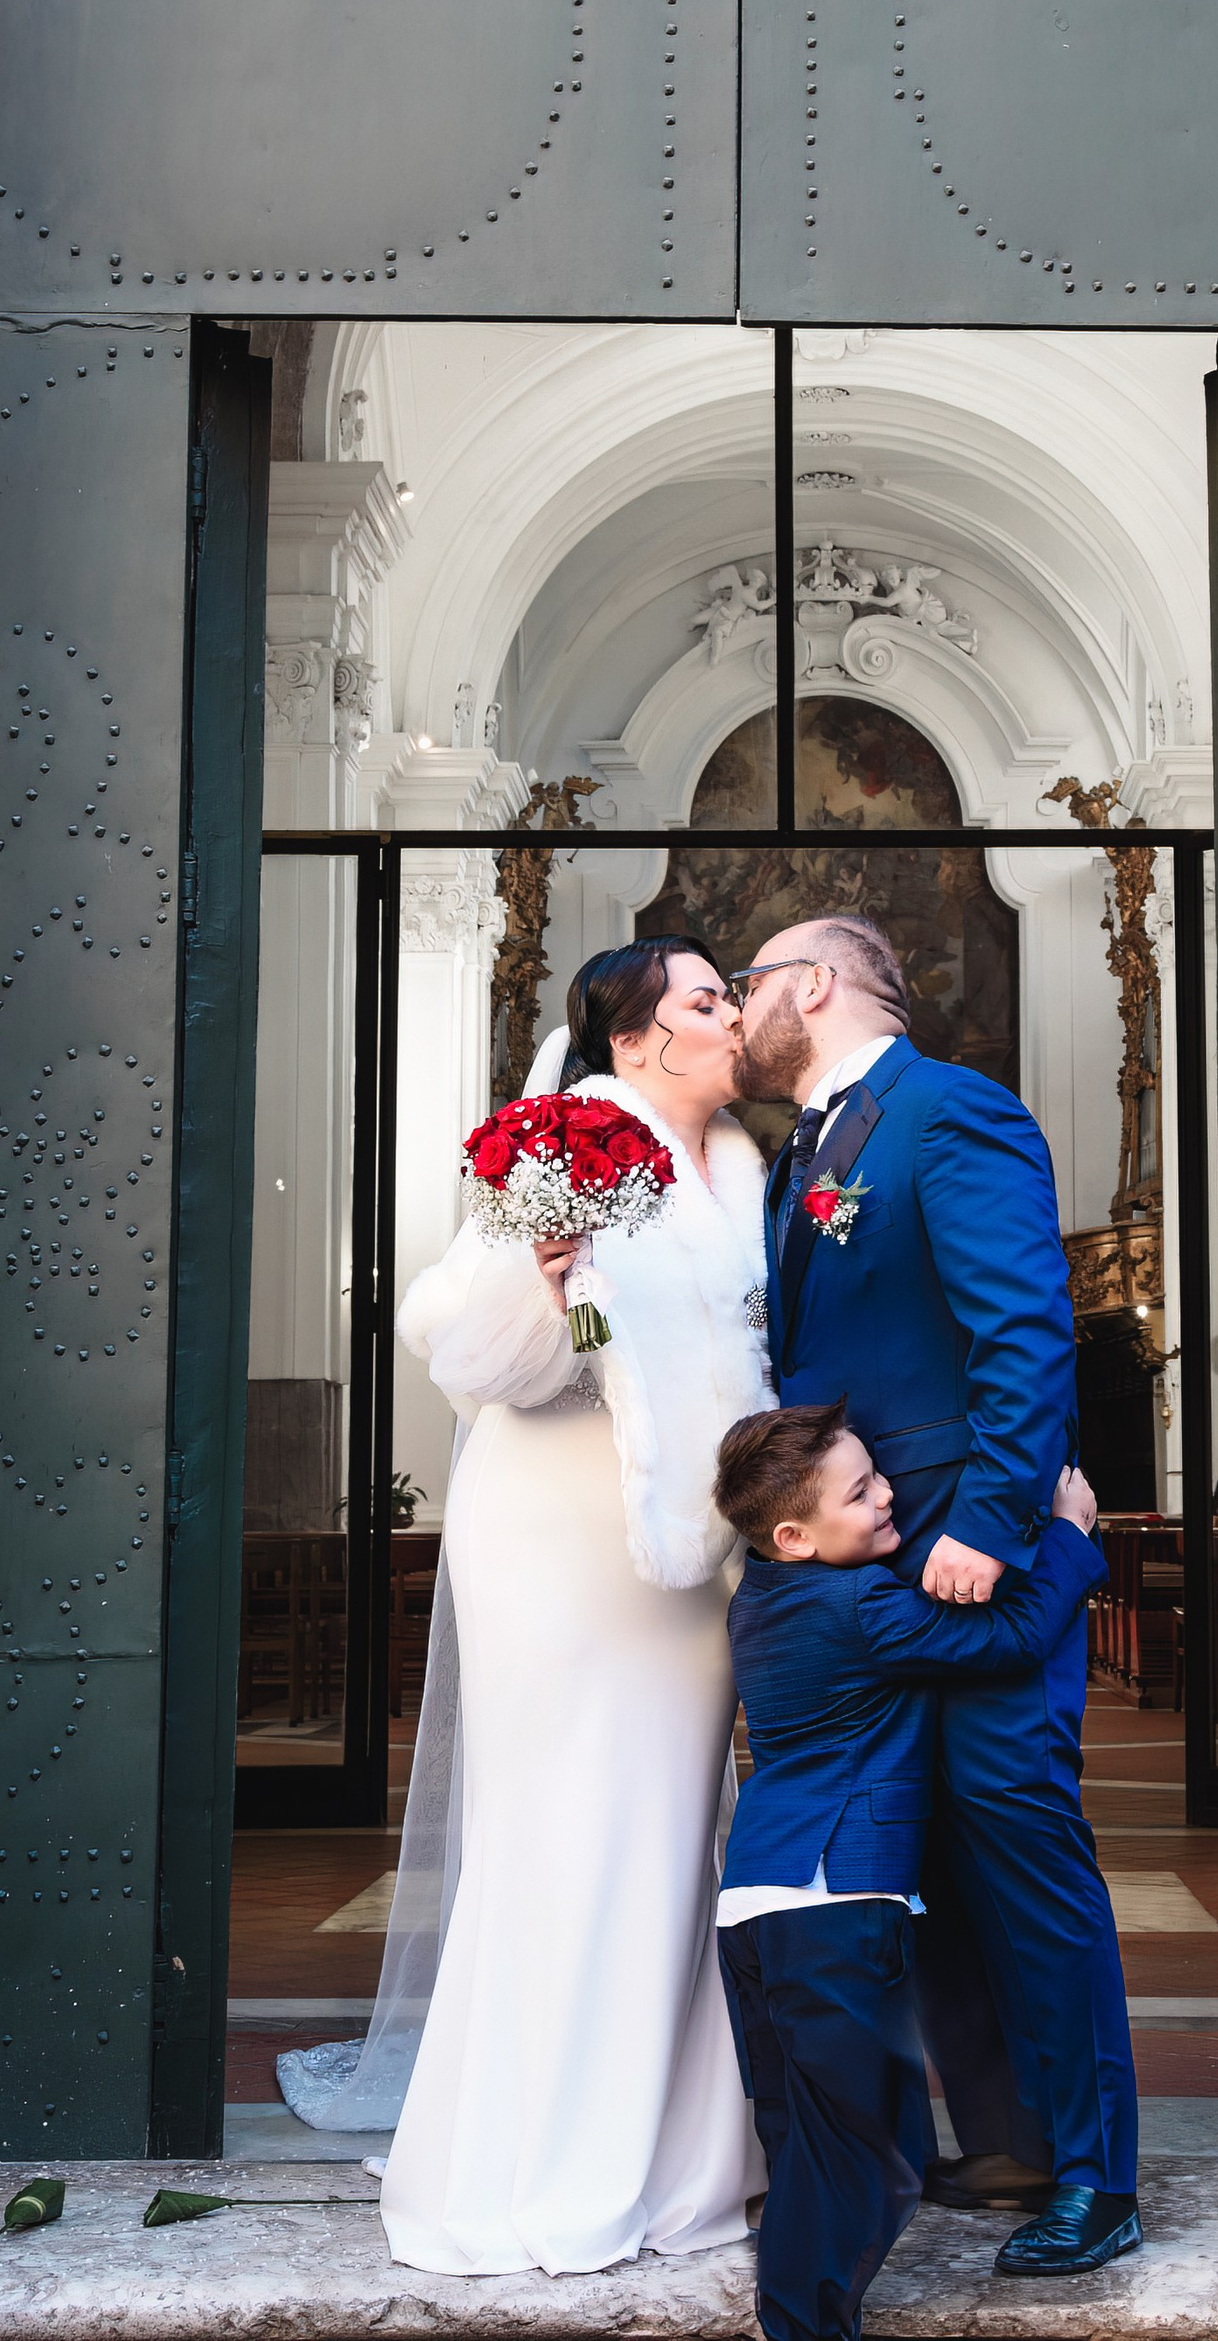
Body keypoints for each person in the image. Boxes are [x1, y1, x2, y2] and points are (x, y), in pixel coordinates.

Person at [736, 913, 1140, 2277]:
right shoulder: (802, 1151)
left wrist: (992, 1519)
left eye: (752, 983)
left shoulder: (949, 1111)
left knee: (1024, 1854)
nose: (740, 1006)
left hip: (965, 1552)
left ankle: (1096, 2176)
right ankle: (1011, 2140)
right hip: (868, 1557)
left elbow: (1022, 1328)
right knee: (933, 1867)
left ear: (815, 985)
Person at [362, 937, 772, 2275]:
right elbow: (465, 1346)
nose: (734, 1017)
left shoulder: (744, 1167)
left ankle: (679, 2153)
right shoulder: (573, 1139)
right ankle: (541, 2155)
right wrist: (546, 1287)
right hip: (560, 1533)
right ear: (638, 1037)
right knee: (568, 1828)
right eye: (708, 1001)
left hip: (691, 1553)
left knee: (671, 1831)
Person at [713, 1404, 1106, 2341]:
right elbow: (1012, 1640)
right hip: (835, 1903)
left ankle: (800, 2313)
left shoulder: (757, 1599)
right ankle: (804, 2328)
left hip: (755, 1906)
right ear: (794, 1536)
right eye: (861, 1491)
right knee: (867, 2151)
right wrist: (1069, 1537)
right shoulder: (863, 1606)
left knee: (800, 2136)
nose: (889, 1493)